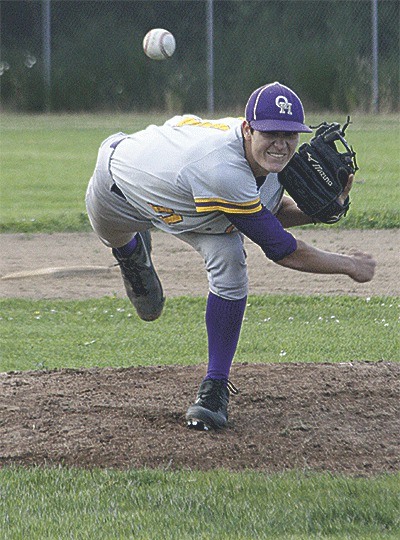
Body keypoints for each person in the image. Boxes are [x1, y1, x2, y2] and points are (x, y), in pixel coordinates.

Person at [85, 81, 376, 431]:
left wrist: (319, 209)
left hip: (194, 204)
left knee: (231, 263)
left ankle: (214, 387)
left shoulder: (267, 165)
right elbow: (283, 250)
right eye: (271, 133)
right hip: (121, 191)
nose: (282, 145)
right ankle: (133, 254)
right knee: (117, 238)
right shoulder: (221, 168)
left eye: (290, 135)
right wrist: (350, 265)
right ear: (248, 128)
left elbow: (266, 212)